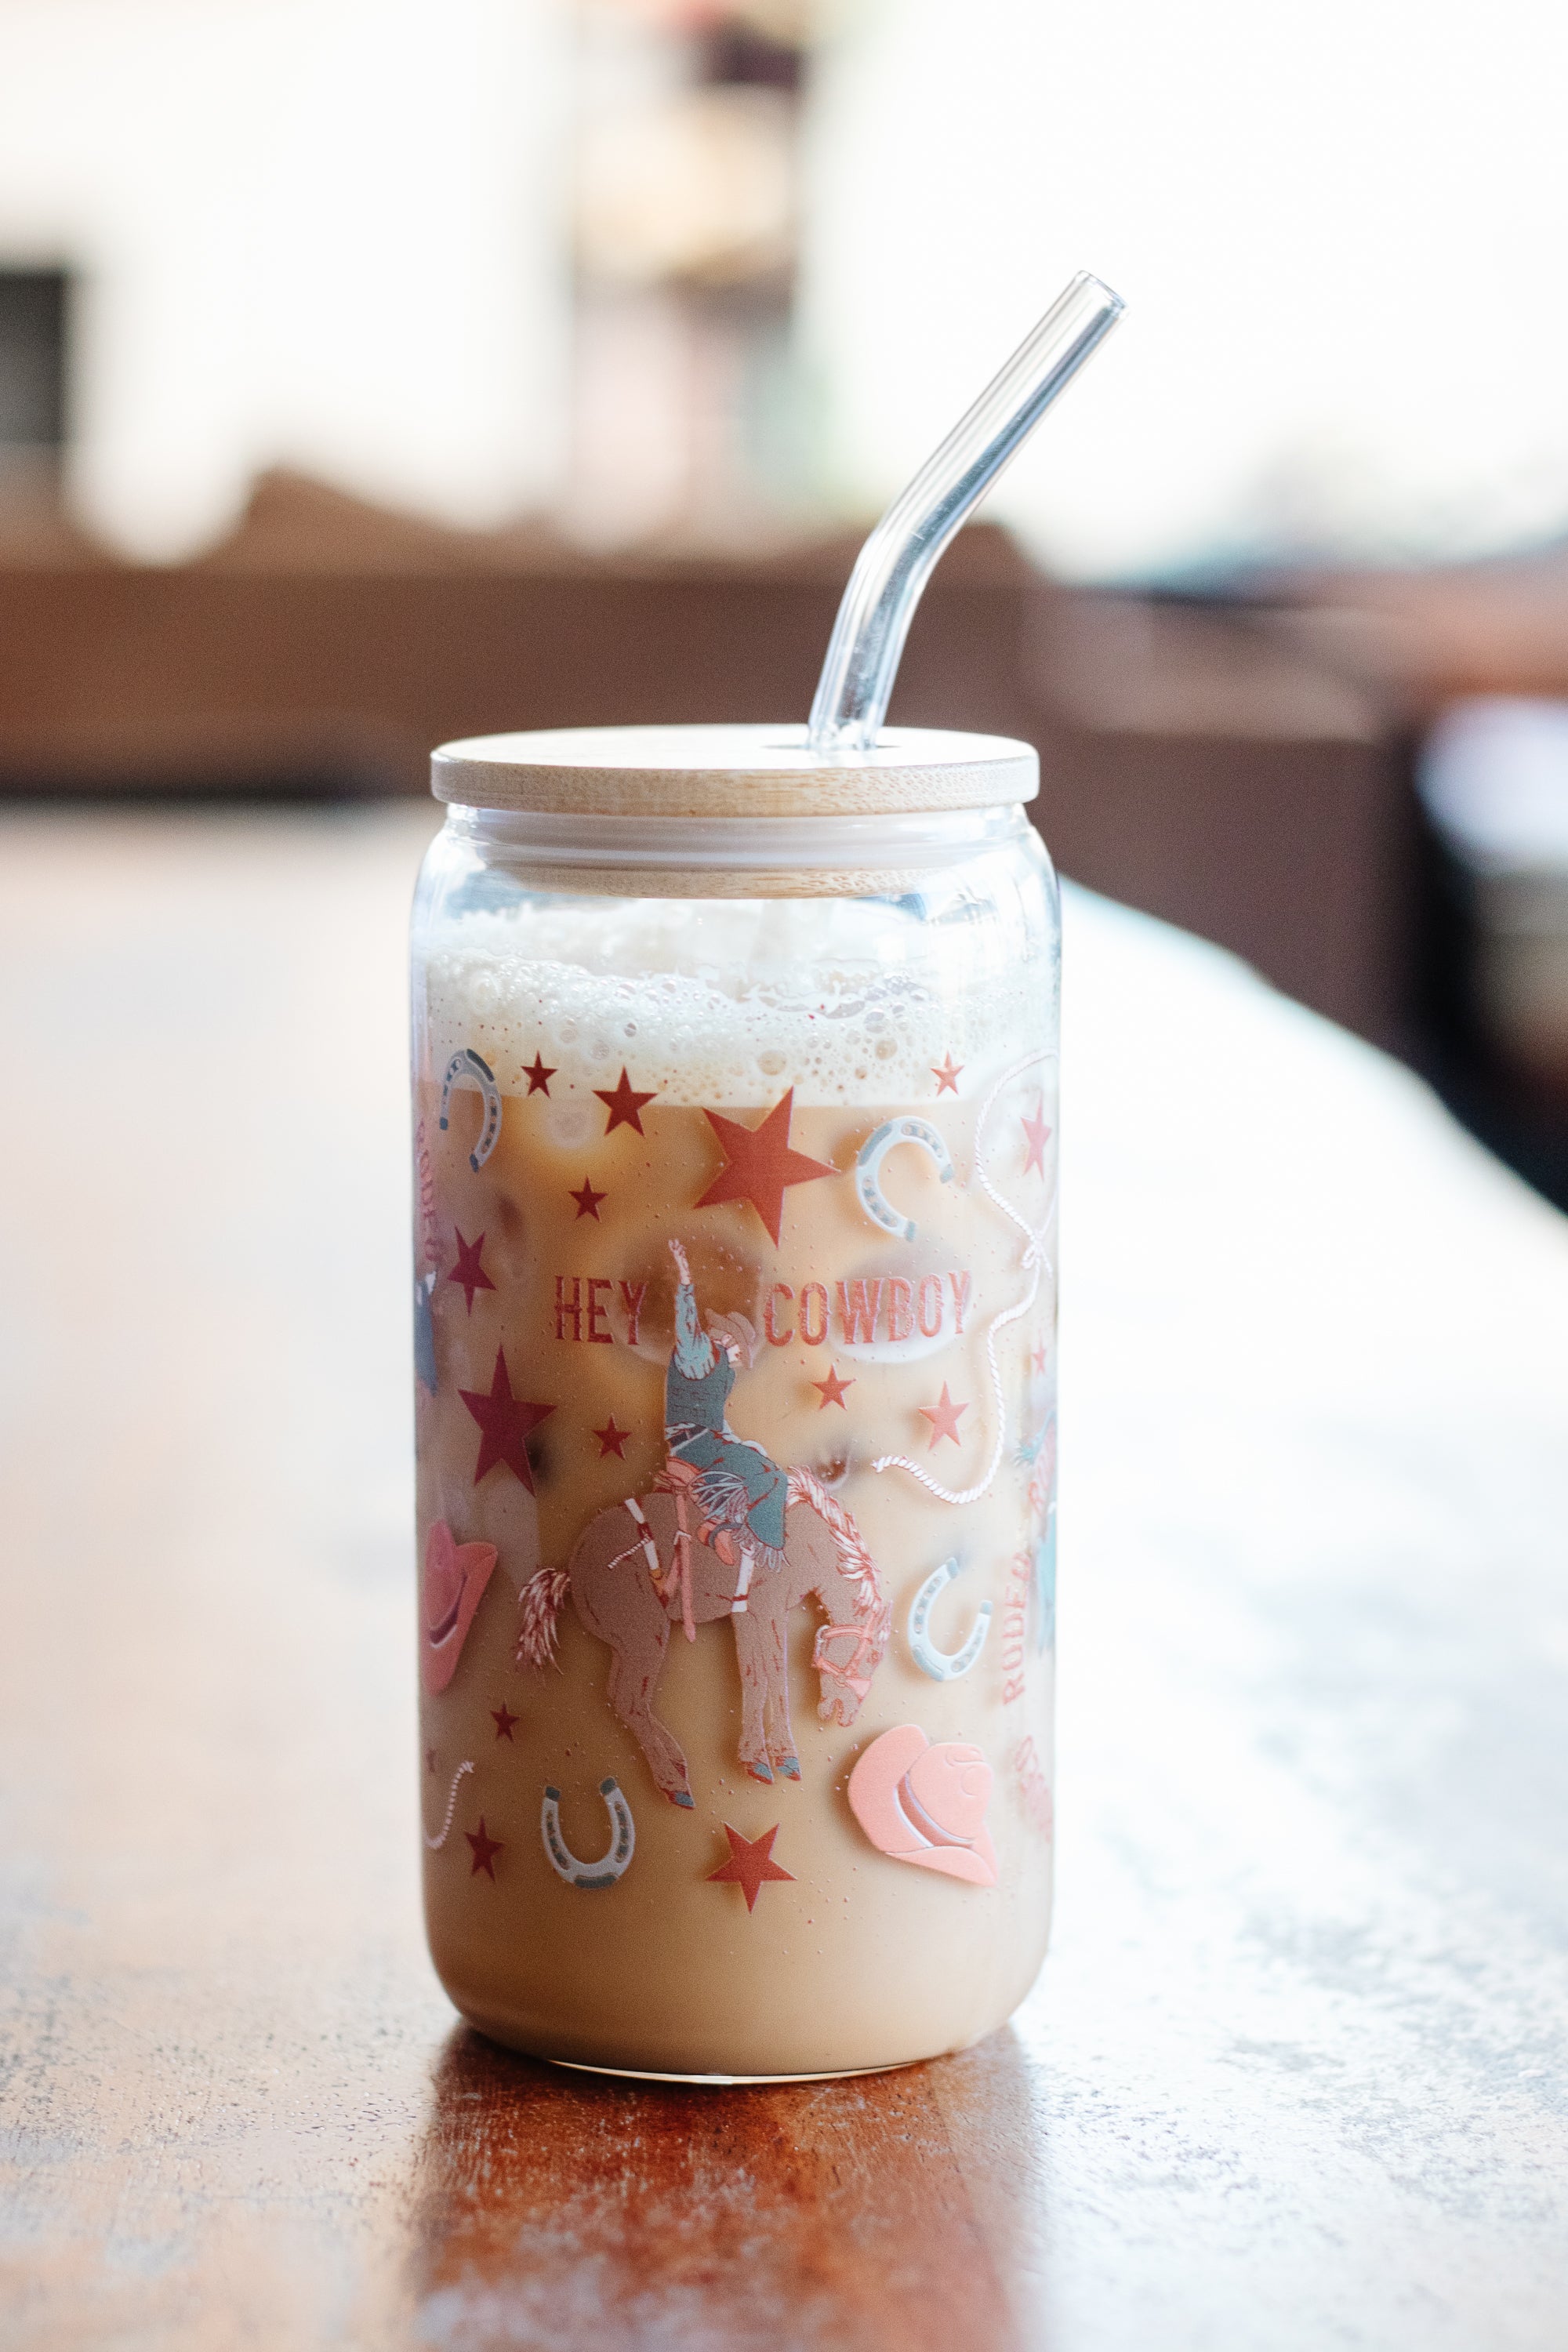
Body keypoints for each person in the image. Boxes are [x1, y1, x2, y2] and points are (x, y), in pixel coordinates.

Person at [663, 1240, 788, 1607]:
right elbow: (687, 1329)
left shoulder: (721, 1371)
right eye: (738, 1351)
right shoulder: (700, 1356)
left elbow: (718, 1422)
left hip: (706, 1439)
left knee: (758, 1460)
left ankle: (718, 1522)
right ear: (727, 1339)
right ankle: (721, 1526)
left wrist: (743, 1445)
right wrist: (685, 1280)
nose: (737, 1359)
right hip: (693, 1443)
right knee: (772, 1477)